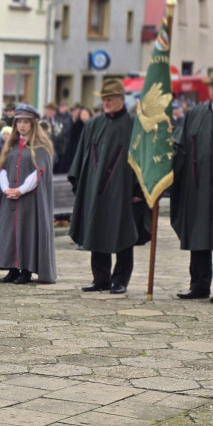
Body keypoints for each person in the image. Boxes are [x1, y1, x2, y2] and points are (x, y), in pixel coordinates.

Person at [68, 79, 146, 294]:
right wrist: (81, 186)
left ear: (121, 99)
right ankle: (100, 278)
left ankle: (120, 279)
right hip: (95, 189)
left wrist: (139, 190)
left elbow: (143, 159)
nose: (106, 102)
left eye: (110, 98)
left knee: (123, 233)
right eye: (103, 98)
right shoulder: (93, 124)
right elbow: (81, 156)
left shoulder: (134, 125)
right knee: (97, 229)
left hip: (123, 190)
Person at [0, 104, 57, 284]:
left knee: (27, 232)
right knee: (9, 233)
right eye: (19, 122)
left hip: (29, 199)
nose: (22, 126)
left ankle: (25, 270)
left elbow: (39, 172)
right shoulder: (11, 145)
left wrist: (21, 189)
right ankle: (12, 268)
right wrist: (6, 188)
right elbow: (1, 168)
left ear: (33, 124)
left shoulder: (40, 146)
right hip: (9, 198)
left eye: (26, 122)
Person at [170, 76, 213, 301]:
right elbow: (181, 147)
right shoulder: (195, 115)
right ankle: (199, 285)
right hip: (199, 186)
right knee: (200, 236)